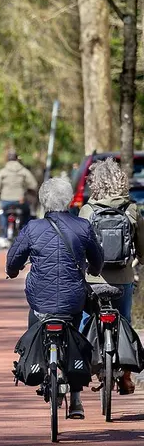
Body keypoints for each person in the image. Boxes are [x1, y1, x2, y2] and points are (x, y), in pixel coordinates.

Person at [6, 177, 104, 419]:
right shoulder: (82, 227)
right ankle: (77, 398)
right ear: (69, 200)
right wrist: (92, 270)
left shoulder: (32, 228)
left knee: (36, 322)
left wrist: (13, 271)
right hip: (73, 300)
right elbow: (98, 260)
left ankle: (37, 366)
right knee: (76, 330)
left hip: (40, 300)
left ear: (43, 201)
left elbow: (13, 260)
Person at [79, 159, 142, 394]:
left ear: (95, 182)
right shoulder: (131, 209)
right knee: (124, 321)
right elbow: (142, 245)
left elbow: (80, 245)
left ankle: (85, 364)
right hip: (122, 278)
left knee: (87, 319)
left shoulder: (87, 210)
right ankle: (125, 375)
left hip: (93, 279)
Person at [0, 149, 37, 241]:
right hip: (20, 200)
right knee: (27, 212)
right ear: (17, 158)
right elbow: (34, 185)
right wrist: (29, 190)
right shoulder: (23, 171)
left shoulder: (3, 172)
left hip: (5, 200)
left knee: (3, 213)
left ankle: (3, 236)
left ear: (7, 159)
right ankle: (25, 234)